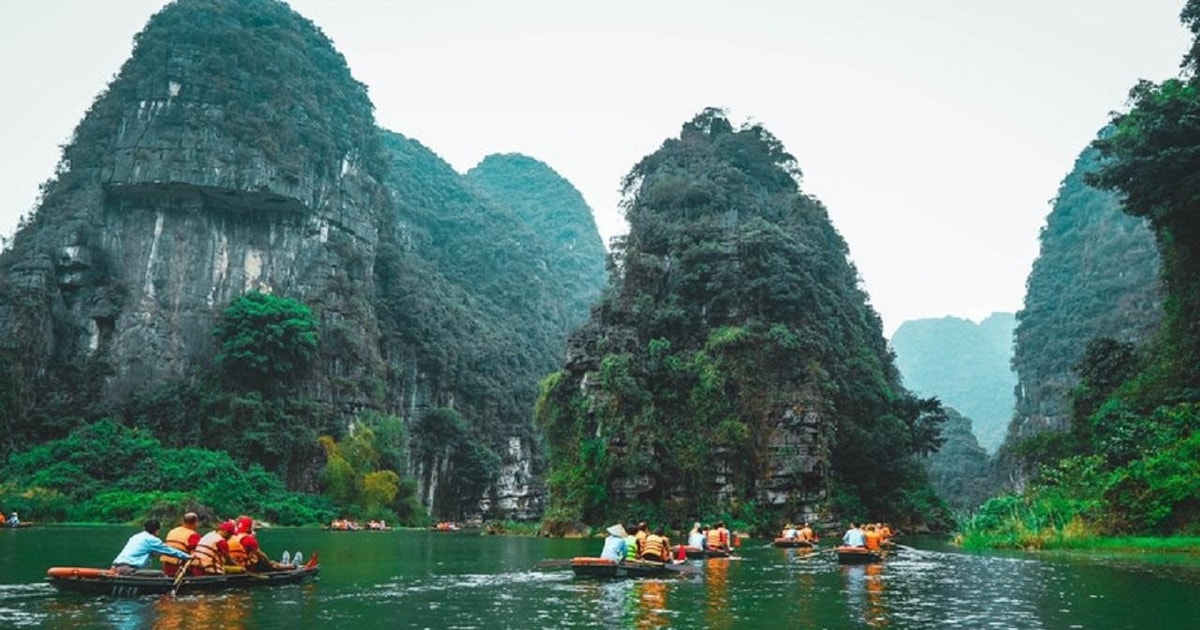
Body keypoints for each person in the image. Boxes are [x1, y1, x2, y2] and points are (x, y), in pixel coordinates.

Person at [110, 519, 191, 575]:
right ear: (156, 531)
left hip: (115, 567)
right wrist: (187, 557)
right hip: (128, 569)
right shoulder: (152, 540)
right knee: (160, 574)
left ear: (144, 528)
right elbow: (170, 551)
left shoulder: (136, 536)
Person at [161, 512, 202, 577]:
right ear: (195, 523)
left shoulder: (172, 531)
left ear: (182, 521)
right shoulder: (193, 535)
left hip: (167, 566)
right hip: (180, 568)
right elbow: (199, 553)